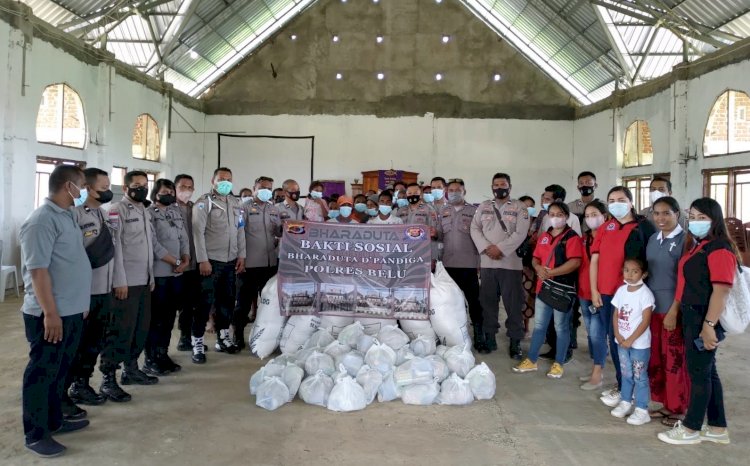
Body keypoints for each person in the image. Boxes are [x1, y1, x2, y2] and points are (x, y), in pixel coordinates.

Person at [19, 165, 91, 457]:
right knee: (42, 372)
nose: (84, 190)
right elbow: (38, 271)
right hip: (49, 315)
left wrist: (79, 305)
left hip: (70, 310)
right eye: (83, 185)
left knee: (60, 371)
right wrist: (50, 313)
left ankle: (53, 421)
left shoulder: (68, 215)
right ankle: (35, 435)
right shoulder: (41, 221)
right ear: (68, 187)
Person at [658, 197, 737, 445]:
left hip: (705, 317)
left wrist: (709, 325)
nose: (695, 221)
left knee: (698, 375)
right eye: (692, 216)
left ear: (715, 220)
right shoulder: (699, 245)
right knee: (708, 372)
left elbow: (721, 290)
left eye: (702, 217)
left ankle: (691, 428)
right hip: (693, 315)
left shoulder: (719, 249)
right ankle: (717, 427)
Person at [591, 186, 656, 408]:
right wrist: (594, 289)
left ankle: (636, 392)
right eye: (612, 200)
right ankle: (622, 386)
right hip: (607, 294)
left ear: (630, 202)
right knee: (615, 339)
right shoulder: (606, 227)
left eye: (621, 199)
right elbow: (595, 260)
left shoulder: (642, 227)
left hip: (632, 296)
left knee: (634, 342)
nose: (616, 203)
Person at [68, 168, 122, 405]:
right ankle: (75, 385)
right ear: (87, 188)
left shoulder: (102, 213)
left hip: (103, 289)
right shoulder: (75, 215)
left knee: (95, 341)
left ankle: (84, 382)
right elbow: (73, 257)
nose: (108, 191)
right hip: (85, 291)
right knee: (80, 342)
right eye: (104, 187)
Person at [513, 201, 582, 378]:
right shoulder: (545, 236)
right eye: (552, 214)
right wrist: (538, 269)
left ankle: (558, 363)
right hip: (543, 288)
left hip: (560, 289)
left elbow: (575, 262)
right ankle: (532, 360)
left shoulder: (572, 237)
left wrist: (551, 273)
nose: (555, 217)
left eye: (559, 214)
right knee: (540, 326)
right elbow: (535, 258)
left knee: (561, 327)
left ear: (566, 216)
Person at [471, 173, 530, 358]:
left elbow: (521, 233)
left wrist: (501, 249)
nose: (499, 187)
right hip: (488, 263)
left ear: (510, 187)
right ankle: (490, 337)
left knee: (514, 305)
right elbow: (474, 228)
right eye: (495, 184)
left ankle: (515, 341)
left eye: (503, 184)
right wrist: (487, 248)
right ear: (491, 187)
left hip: (511, 264)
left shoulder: (520, 208)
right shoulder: (484, 206)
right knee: (487, 302)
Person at [107, 170, 157, 387]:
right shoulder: (117, 210)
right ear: (125, 188)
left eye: (145, 185)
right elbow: (115, 247)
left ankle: (131, 369)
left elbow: (147, 247)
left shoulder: (144, 209)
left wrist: (151, 277)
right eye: (137, 185)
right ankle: (109, 378)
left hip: (144, 280)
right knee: (120, 331)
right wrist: (119, 280)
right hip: (126, 283)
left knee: (140, 329)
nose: (142, 188)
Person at [192, 167, 246, 363]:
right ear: (212, 181)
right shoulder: (203, 203)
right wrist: (202, 259)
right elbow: (198, 233)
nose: (225, 182)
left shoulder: (236, 203)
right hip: (210, 261)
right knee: (204, 303)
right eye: (221, 179)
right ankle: (197, 342)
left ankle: (223, 337)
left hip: (230, 261)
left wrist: (242, 256)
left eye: (229, 179)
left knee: (227, 301)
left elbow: (240, 231)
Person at [646, 196, 690, 426]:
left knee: (675, 360)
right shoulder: (653, 239)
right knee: (657, 359)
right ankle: (665, 403)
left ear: (677, 214)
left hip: (673, 310)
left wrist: (675, 310)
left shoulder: (685, 240)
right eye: (657, 213)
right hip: (653, 309)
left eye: (666, 213)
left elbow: (684, 280)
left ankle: (679, 407)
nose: (660, 218)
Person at [144, 179, 190, 375]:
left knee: (170, 317)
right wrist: (174, 261)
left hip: (177, 273)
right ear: (156, 194)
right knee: (157, 318)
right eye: (165, 191)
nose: (170, 194)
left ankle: (163, 354)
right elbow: (153, 244)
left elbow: (184, 238)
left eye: (171, 191)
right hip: (160, 272)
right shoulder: (149, 214)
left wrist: (186, 258)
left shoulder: (175, 212)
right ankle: (150, 358)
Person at [235, 176, 281, 349]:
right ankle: (238, 335)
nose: (266, 191)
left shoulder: (274, 209)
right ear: (254, 188)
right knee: (243, 303)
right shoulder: (243, 208)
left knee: (268, 303)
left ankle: (263, 337)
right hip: (249, 264)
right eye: (262, 187)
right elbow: (238, 233)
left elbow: (278, 232)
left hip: (269, 264)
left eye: (269, 188)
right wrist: (241, 257)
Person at [609, 257, 655, 426]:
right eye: (627, 270)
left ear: (644, 274)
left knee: (639, 376)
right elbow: (615, 314)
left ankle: (642, 409)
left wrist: (631, 339)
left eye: (635, 271)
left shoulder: (645, 294)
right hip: (622, 342)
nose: (629, 274)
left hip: (639, 345)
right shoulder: (621, 291)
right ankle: (625, 402)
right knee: (626, 373)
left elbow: (645, 320)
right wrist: (618, 335)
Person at [539, 184, 580, 363]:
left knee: (564, 316)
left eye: (549, 198)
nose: (546, 202)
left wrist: (555, 269)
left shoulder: (572, 220)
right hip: (546, 273)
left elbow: (575, 249)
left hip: (563, 275)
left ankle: (566, 350)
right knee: (548, 315)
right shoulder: (546, 218)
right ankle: (553, 347)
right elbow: (542, 243)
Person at [441, 178, 482, 350]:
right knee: (450, 302)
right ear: (446, 192)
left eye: (458, 189)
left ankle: (480, 335)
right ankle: (454, 334)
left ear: (464, 191)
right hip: (447, 264)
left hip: (469, 264)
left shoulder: (474, 211)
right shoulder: (442, 211)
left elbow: (481, 237)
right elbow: (438, 236)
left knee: (474, 301)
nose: (454, 192)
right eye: (451, 190)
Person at [579, 200, 609, 391]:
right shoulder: (584, 239)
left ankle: (598, 373)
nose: (591, 219)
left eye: (595, 214)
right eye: (587, 216)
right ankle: (595, 366)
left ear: (605, 216)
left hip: (601, 292)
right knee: (590, 332)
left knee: (598, 333)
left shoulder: (610, 237)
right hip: (584, 291)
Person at [174, 174, 199, 352]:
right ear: (175, 187)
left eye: (190, 187)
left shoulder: (196, 207)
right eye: (183, 186)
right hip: (175, 264)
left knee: (190, 303)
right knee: (173, 304)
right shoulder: (169, 208)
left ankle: (185, 337)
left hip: (194, 263)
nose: (187, 190)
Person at [397, 183, 441, 261]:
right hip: (404, 252)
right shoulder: (400, 211)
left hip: (423, 253)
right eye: (409, 193)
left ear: (420, 195)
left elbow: (433, 234)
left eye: (415, 193)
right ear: (406, 195)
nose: (412, 195)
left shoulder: (429, 210)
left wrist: (433, 258)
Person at [519, 195, 538, 335]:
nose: (528, 208)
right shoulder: (514, 222)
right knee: (518, 296)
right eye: (524, 205)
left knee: (529, 297)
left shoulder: (538, 222)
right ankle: (516, 322)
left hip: (532, 266)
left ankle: (526, 324)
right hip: (517, 265)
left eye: (531, 205)